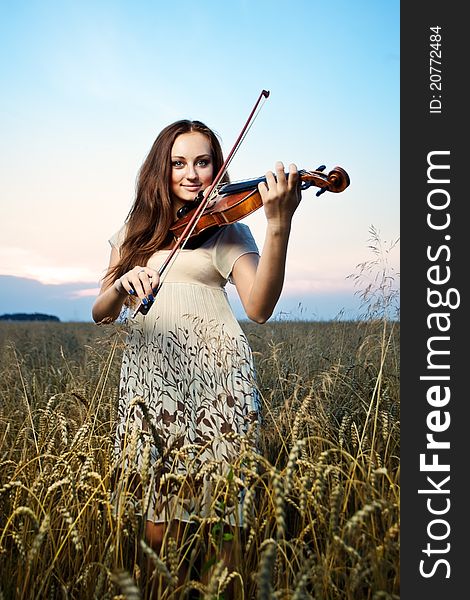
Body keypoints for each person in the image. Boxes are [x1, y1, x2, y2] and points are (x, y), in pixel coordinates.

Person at [92, 119, 302, 597]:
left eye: (203, 161)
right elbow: (100, 311)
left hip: (217, 379)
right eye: (179, 163)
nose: (191, 173)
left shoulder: (226, 230)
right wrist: (123, 285)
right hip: (152, 383)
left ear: (217, 166)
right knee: (159, 525)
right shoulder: (135, 230)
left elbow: (259, 307)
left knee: (224, 517)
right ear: (159, 170)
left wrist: (278, 225)